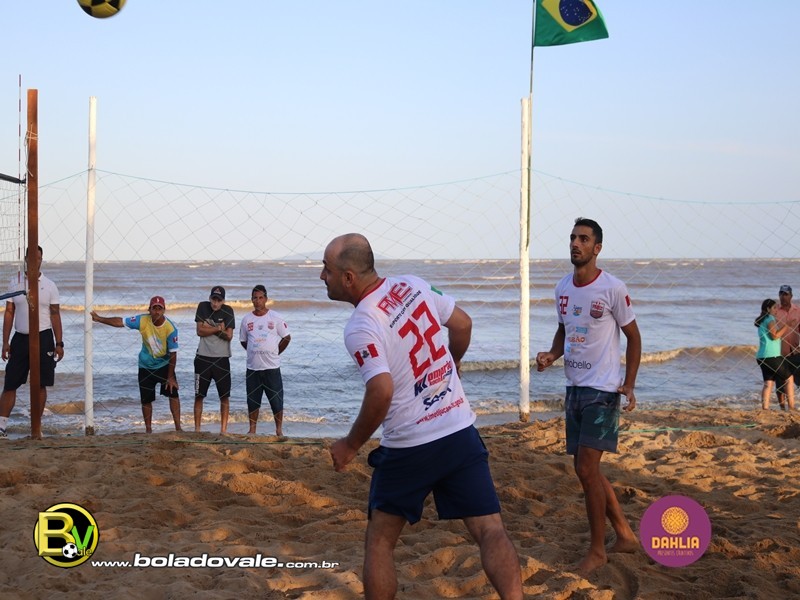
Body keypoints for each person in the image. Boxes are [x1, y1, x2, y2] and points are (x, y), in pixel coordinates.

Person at [321, 233, 523, 600]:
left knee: (380, 541)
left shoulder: (362, 324)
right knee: (490, 529)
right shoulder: (412, 285)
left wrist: (351, 444)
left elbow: (381, 391)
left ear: (348, 278)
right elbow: (462, 324)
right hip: (458, 429)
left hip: (410, 446)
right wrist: (452, 361)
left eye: (327, 269)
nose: (322, 276)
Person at [536, 217, 641, 576]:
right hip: (574, 388)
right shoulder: (563, 287)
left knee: (585, 469)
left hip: (603, 390)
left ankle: (597, 552)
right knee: (588, 471)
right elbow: (563, 330)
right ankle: (624, 534)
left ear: (597, 248)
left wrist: (629, 383)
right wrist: (552, 355)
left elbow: (634, 337)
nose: (575, 244)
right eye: (572, 238)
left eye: (583, 239)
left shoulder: (613, 288)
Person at [90, 296, 182, 433]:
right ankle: (148, 430)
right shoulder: (142, 320)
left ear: (164, 310)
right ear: (149, 310)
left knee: (173, 394)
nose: (157, 312)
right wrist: (99, 319)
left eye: (160, 309)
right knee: (146, 399)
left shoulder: (170, 328)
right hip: (145, 365)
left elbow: (173, 354)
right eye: (154, 308)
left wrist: (170, 377)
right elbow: (120, 322)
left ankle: (178, 428)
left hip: (164, 365)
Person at [0, 246, 64, 439]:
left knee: (40, 384)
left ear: (42, 260)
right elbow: (9, 313)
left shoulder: (50, 285)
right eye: (32, 257)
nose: (35, 261)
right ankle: (1, 426)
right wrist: (5, 342)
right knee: (10, 383)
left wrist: (59, 343)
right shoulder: (16, 282)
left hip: (43, 338)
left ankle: (36, 427)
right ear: (26, 259)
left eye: (39, 258)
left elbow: (55, 315)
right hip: (20, 338)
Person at [239, 284, 290, 436]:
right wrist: (254, 350)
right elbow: (243, 341)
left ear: (266, 299)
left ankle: (279, 430)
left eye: (261, 298)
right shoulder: (246, 319)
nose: (258, 301)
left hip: (271, 367)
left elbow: (287, 337)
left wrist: (275, 352)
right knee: (252, 400)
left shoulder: (275, 317)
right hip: (253, 367)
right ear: (251, 300)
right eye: (255, 298)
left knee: (276, 400)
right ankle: (252, 430)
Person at [193, 286, 235, 433]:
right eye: (213, 299)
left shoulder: (228, 311)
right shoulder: (202, 306)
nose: (215, 303)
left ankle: (223, 430)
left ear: (223, 301)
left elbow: (229, 336)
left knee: (224, 396)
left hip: (222, 359)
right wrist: (218, 328)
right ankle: (197, 429)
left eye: (219, 300)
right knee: (199, 395)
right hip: (203, 357)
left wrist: (208, 327)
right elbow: (199, 331)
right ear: (210, 298)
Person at [754, 298, 795, 410]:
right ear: (768, 309)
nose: (777, 310)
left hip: (761, 357)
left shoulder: (762, 321)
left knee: (768, 383)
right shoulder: (770, 318)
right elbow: (775, 336)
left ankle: (765, 409)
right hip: (771, 356)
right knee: (789, 378)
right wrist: (787, 325)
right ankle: (791, 407)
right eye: (774, 308)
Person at [774, 285, 800, 410]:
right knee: (780, 382)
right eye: (781, 294)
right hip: (779, 351)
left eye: (786, 294)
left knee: (798, 379)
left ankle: (792, 406)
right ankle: (782, 408)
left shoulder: (798, 310)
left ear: (791, 296)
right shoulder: (774, 311)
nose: (783, 297)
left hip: (796, 350)